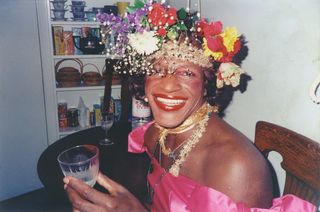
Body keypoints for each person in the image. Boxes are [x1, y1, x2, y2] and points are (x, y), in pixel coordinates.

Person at [63, 1, 316, 211]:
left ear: (207, 84)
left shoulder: (236, 168)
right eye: (157, 70)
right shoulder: (156, 134)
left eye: (186, 73)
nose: (168, 86)